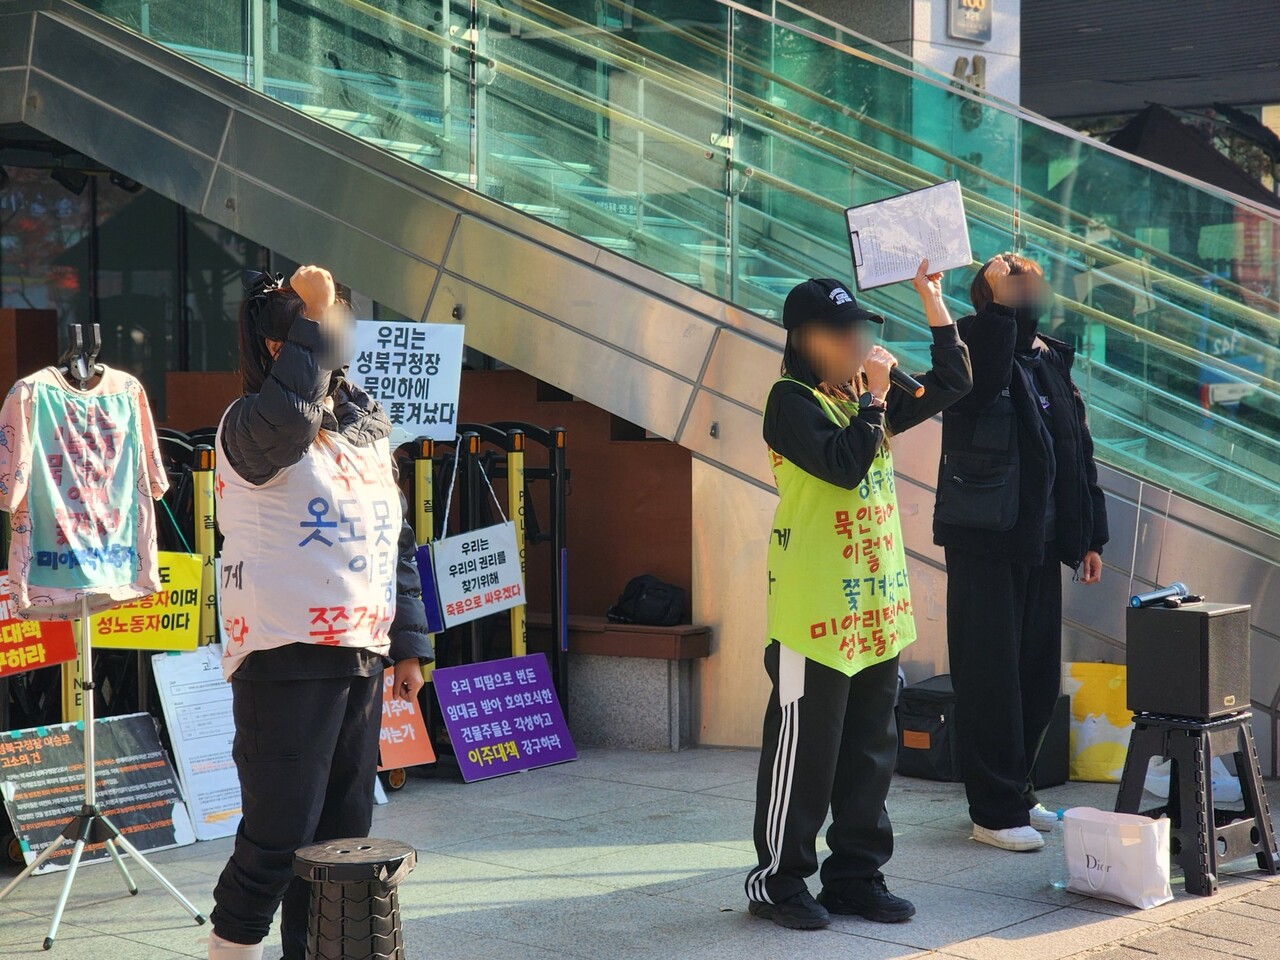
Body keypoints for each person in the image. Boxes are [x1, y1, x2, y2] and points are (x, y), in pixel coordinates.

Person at [206, 266, 434, 960]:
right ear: (284, 346)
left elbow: (389, 534)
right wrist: (309, 312)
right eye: (324, 325)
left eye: (339, 322)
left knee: (341, 840)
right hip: (284, 655)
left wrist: (410, 642)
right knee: (278, 838)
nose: (342, 337)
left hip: (359, 652)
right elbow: (289, 418)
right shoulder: (250, 424)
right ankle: (231, 949)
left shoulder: (360, 425)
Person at [746, 262, 972, 930]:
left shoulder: (861, 397)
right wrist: (874, 401)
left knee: (872, 752)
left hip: (874, 610)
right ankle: (779, 880)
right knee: (805, 755)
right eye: (843, 331)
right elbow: (844, 468)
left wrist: (932, 300)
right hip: (812, 616)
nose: (856, 342)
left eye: (862, 329)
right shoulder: (790, 402)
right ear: (805, 338)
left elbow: (954, 382)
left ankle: (855, 874)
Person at [934, 253, 1109, 853]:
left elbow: (1076, 451)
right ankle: (992, 808)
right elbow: (978, 382)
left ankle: (1019, 789)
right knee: (990, 678)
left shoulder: (1049, 360)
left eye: (1029, 281)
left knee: (1034, 679)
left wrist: (1088, 535)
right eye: (1009, 281)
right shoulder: (972, 349)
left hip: (1038, 538)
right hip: (985, 536)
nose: (1024, 286)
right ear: (987, 296)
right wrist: (999, 309)